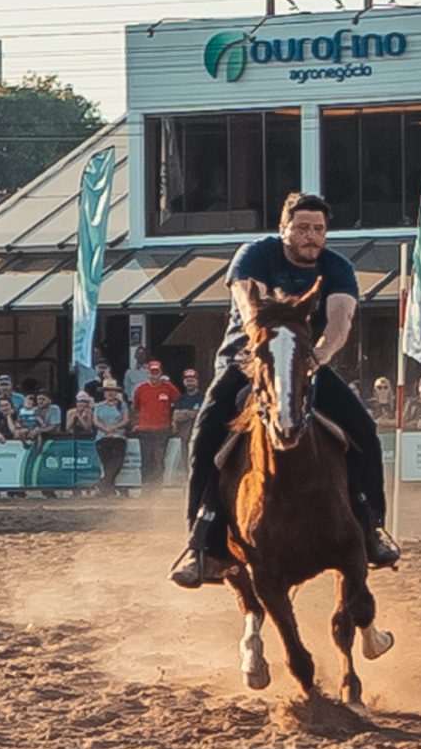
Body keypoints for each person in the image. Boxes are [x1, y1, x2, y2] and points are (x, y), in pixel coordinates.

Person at [170, 193, 397, 587]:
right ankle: (200, 544)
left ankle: (371, 527)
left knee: (364, 430)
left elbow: (340, 320)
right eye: (303, 228)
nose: (311, 236)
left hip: (306, 367)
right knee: (204, 437)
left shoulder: (337, 268)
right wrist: (267, 344)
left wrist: (318, 357)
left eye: (319, 230)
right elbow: (248, 302)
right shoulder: (255, 255)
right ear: (283, 229)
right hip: (247, 364)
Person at [128, 357, 178, 483]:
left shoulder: (168, 388)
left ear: (161, 373)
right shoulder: (141, 389)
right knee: (146, 461)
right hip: (144, 430)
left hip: (161, 430)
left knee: (158, 460)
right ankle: (146, 489)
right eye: (152, 372)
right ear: (148, 373)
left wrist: (173, 421)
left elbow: (178, 403)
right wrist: (136, 424)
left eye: (156, 373)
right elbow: (135, 408)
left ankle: (157, 490)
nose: (154, 375)